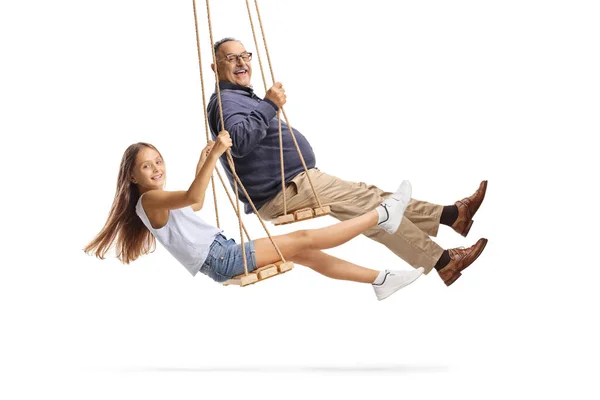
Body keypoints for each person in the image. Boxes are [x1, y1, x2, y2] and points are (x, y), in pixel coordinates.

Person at [207, 37, 488, 287]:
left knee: (370, 195)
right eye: (231, 58)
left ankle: (452, 216)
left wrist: (264, 105)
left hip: (294, 182)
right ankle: (442, 261)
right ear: (215, 67)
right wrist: (269, 104)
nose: (241, 62)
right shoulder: (225, 101)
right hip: (284, 189)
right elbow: (238, 143)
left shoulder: (239, 96)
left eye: (245, 56)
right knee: (373, 210)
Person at [84, 132, 424, 301]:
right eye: (147, 166)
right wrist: (216, 152)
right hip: (223, 258)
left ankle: (380, 281)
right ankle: (382, 214)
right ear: (132, 176)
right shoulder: (152, 200)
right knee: (304, 239)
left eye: (158, 161)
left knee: (306, 254)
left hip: (222, 256)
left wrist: (205, 161)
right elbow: (193, 195)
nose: (157, 168)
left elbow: (194, 206)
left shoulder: (154, 202)